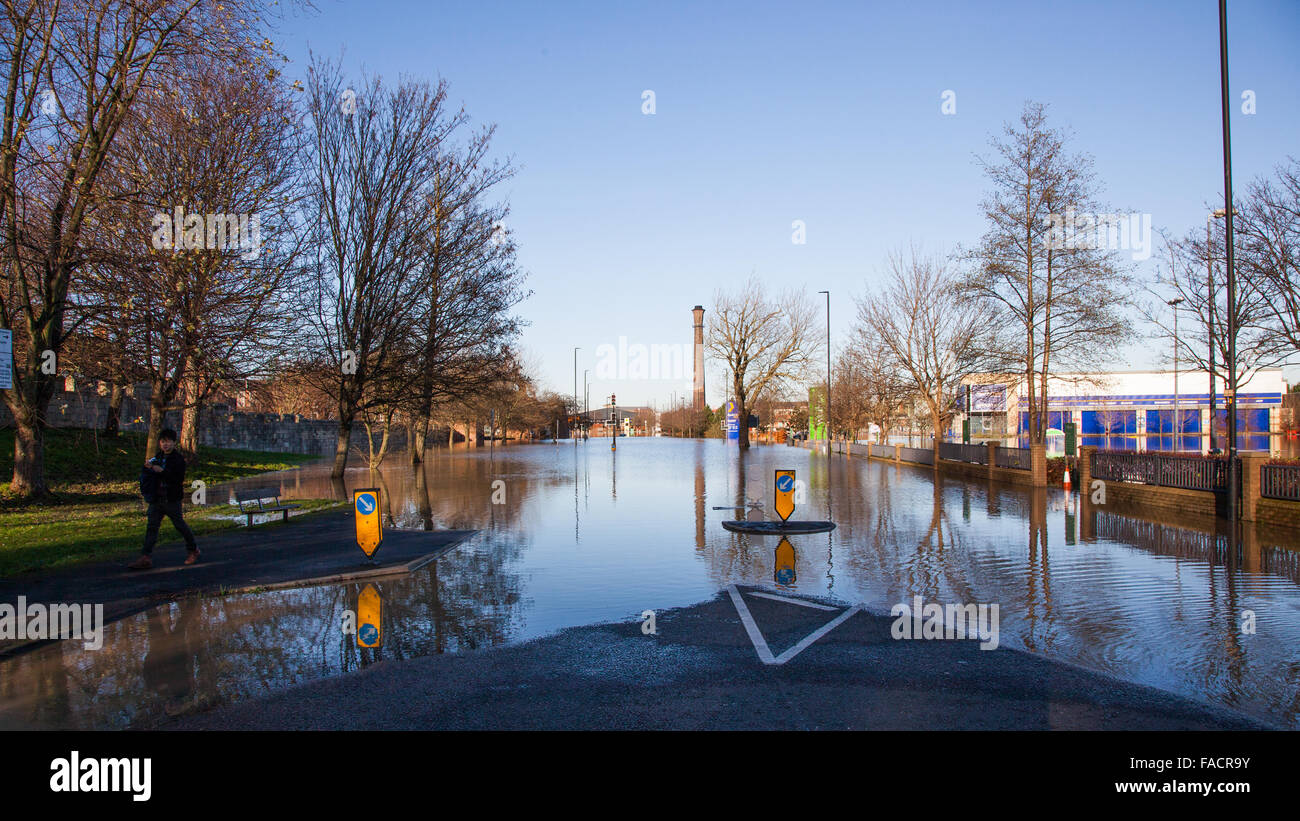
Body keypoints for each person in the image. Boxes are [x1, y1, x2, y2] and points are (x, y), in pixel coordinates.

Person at [128, 429, 200, 570]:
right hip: (157, 498)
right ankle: (145, 557)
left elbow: (177, 479)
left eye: (168, 441)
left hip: (171, 498)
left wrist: (162, 472)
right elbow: (147, 472)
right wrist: (148, 468)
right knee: (152, 527)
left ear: (174, 442)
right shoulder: (158, 457)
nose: (165, 444)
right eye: (162, 442)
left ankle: (193, 550)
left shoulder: (178, 459)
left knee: (180, 525)